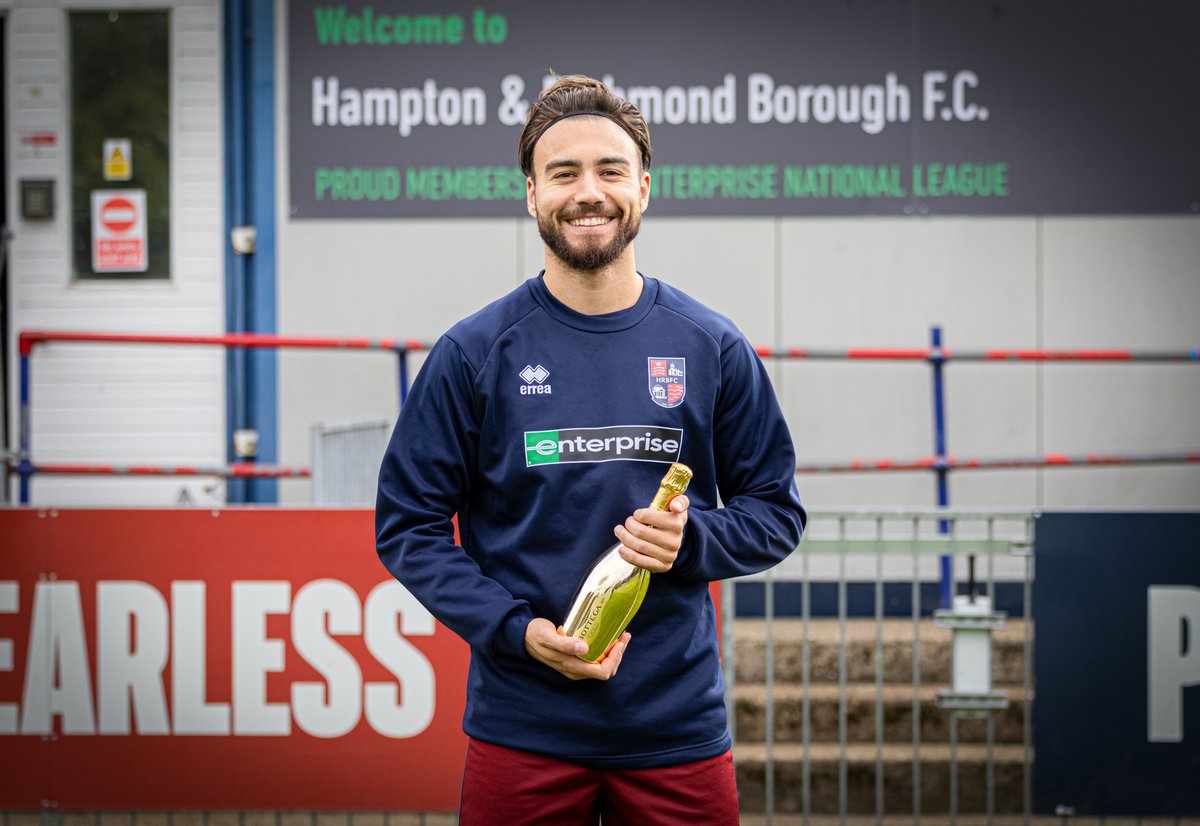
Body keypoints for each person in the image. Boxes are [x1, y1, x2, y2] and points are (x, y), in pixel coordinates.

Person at [376, 74, 805, 825]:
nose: (589, 192)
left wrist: (692, 538)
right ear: (531, 195)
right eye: (563, 173)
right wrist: (517, 631)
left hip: (676, 730)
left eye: (610, 170)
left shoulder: (711, 346)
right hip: (524, 728)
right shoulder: (475, 354)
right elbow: (407, 528)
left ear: (644, 187)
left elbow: (775, 512)